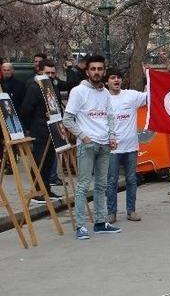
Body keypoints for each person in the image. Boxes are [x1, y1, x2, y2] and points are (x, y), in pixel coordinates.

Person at [62, 55, 122, 240]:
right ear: (87, 71)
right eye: (93, 69)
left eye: (100, 69)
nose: (96, 72)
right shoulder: (78, 91)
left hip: (105, 145)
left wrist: (112, 136)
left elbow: (109, 116)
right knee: (82, 187)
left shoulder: (105, 92)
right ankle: (80, 226)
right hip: (87, 146)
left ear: (104, 71)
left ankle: (99, 222)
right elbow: (67, 119)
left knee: (101, 185)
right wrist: (84, 137)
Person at [103, 68, 147, 223]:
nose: (116, 80)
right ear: (107, 81)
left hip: (131, 147)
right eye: (113, 78)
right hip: (112, 149)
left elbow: (151, 96)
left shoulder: (131, 95)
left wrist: (148, 75)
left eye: (119, 78)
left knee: (131, 180)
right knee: (112, 181)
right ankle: (111, 212)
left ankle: (131, 211)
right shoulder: (102, 98)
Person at [19, 60, 65, 203]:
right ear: (40, 72)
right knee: (39, 161)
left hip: (53, 130)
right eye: (47, 73)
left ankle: (46, 189)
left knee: (49, 161)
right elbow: (26, 110)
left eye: (52, 73)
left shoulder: (52, 87)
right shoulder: (34, 87)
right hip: (39, 131)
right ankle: (37, 191)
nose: (50, 76)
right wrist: (31, 127)